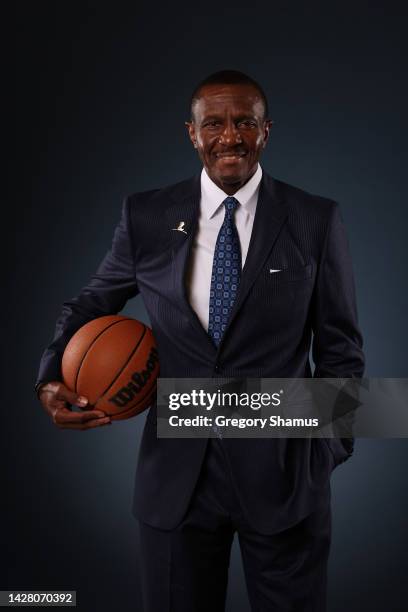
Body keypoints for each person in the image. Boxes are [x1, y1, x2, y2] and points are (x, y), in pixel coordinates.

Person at [36, 70, 365, 611]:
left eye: (245, 123)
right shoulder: (145, 216)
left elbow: (342, 350)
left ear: (266, 131)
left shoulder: (315, 219)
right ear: (192, 133)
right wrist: (50, 377)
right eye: (214, 123)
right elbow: (90, 305)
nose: (230, 136)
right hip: (175, 482)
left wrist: (324, 453)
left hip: (285, 480)